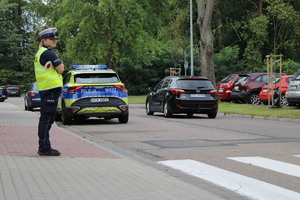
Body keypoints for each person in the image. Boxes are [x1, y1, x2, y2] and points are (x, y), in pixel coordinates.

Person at [34, 28, 64, 156]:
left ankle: (44, 145)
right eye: (51, 39)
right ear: (44, 40)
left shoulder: (40, 52)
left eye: (55, 39)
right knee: (47, 118)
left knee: (47, 118)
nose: (54, 41)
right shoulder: (48, 53)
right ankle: (44, 148)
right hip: (50, 89)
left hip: (47, 89)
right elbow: (61, 69)